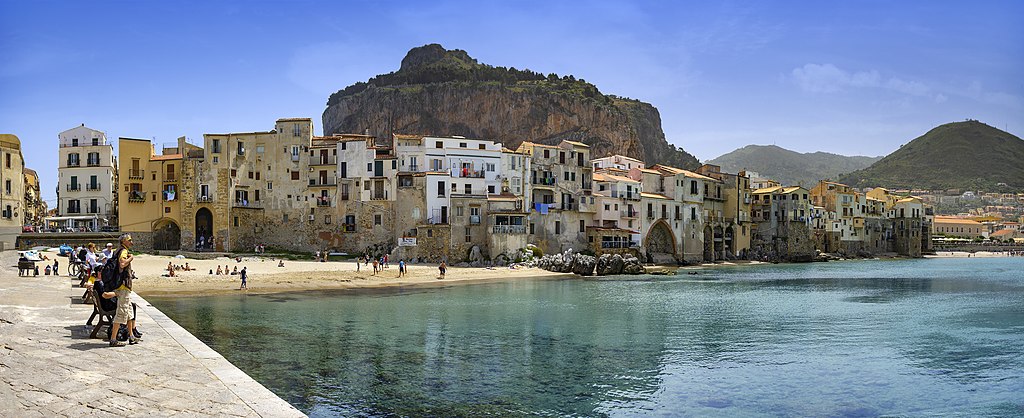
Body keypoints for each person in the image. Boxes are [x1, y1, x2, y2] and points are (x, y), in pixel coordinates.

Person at [103, 233, 140, 347]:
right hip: (123, 287)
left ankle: (131, 336)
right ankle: (113, 339)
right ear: (124, 241)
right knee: (121, 313)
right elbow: (122, 264)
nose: (131, 242)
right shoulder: (123, 251)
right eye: (129, 240)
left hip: (123, 287)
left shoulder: (117, 251)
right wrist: (131, 258)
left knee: (128, 313)